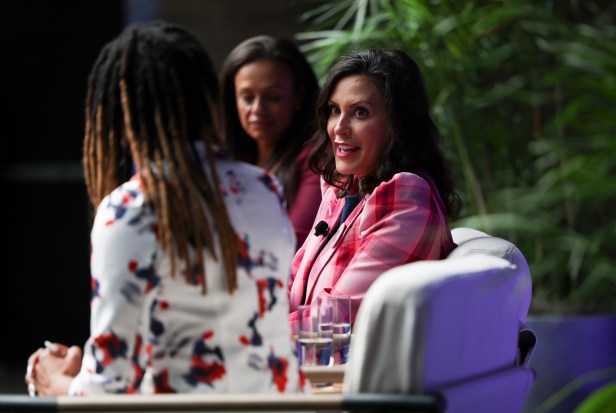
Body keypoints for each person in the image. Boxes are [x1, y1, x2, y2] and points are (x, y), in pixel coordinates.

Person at [24, 21, 305, 396]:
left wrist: (55, 380)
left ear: (122, 113)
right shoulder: (263, 187)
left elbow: (107, 392)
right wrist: (86, 366)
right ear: (207, 98)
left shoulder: (130, 210)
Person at [288, 48, 461, 330]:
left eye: (360, 113)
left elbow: (339, 318)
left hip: (341, 371)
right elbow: (295, 284)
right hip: (306, 361)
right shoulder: (342, 189)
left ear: (398, 125)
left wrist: (246, 339)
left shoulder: (406, 199)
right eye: (334, 110)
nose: (339, 128)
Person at [219, 35, 321, 250]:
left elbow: (291, 246)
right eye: (247, 98)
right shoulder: (227, 156)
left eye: (273, 98)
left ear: (299, 97)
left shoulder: (316, 158)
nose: (257, 110)